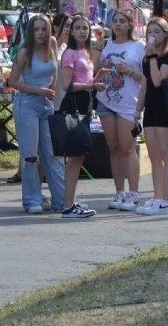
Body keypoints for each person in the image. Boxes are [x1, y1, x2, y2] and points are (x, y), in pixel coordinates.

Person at [8, 14, 65, 214]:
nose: (40, 33)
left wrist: (51, 87)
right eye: (36, 29)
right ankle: (32, 199)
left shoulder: (53, 44)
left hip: (46, 103)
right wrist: (39, 90)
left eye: (43, 29)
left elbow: (55, 68)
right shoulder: (25, 51)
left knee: (52, 154)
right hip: (27, 102)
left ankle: (62, 199)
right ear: (31, 31)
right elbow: (12, 82)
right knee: (30, 155)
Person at [95, 8, 145, 211]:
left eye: (122, 21)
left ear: (130, 24)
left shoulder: (138, 46)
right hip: (106, 100)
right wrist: (98, 52)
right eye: (115, 21)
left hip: (128, 103)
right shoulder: (105, 45)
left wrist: (130, 71)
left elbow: (145, 77)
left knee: (127, 147)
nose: (118, 24)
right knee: (113, 147)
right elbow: (93, 71)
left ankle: (134, 193)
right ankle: (119, 192)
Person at [58, 14, 103, 218]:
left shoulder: (85, 52)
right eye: (78, 28)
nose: (82, 31)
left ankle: (70, 201)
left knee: (79, 157)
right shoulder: (70, 54)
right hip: (73, 107)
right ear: (72, 31)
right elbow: (67, 85)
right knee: (75, 157)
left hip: (86, 107)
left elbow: (86, 78)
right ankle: (67, 205)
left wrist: (96, 78)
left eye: (85, 28)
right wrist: (92, 85)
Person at [134, 18, 168, 215]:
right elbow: (144, 86)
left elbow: (158, 80)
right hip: (151, 109)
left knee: (166, 154)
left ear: (165, 34)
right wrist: (137, 111)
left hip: (166, 109)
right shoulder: (146, 58)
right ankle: (157, 196)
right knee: (153, 156)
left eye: (156, 32)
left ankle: (167, 200)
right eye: (149, 31)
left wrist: (153, 58)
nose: (152, 35)